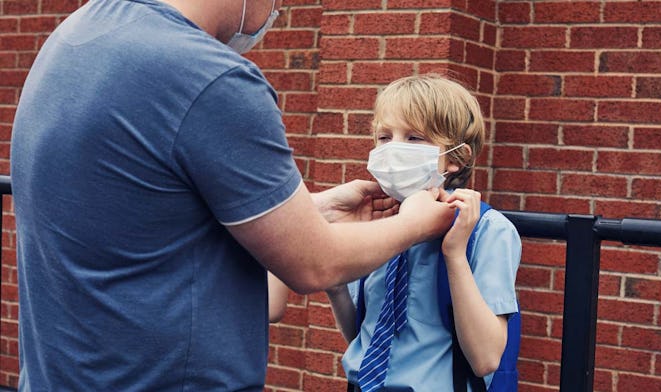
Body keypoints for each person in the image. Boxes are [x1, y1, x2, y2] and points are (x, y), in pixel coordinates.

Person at [9, 0, 455, 390]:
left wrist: (310, 209)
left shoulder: (73, 36)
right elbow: (314, 263)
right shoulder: (209, 77)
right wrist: (415, 222)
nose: (274, 14)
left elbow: (142, 210)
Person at [325, 75, 522, 391]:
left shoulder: (487, 230)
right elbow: (363, 335)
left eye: (414, 138)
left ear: (456, 158)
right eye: (384, 137)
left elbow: (486, 359)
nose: (394, 149)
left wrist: (454, 254)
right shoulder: (380, 221)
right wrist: (335, 283)